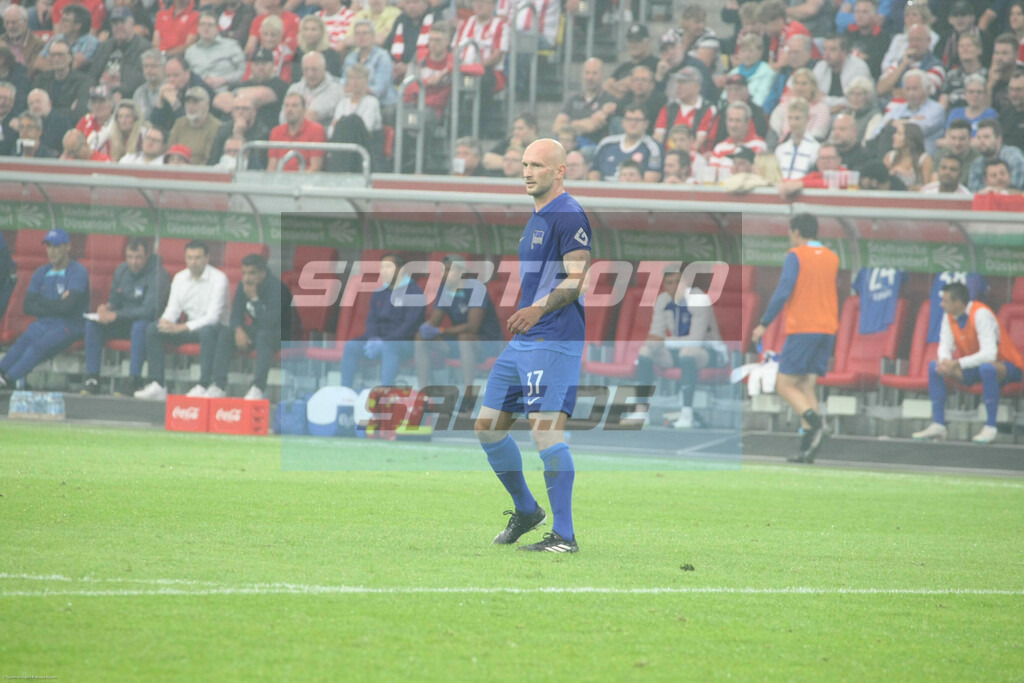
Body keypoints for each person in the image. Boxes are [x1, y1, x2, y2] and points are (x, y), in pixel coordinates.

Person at [475, 138, 590, 553]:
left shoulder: (568, 214)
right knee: (488, 427)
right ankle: (527, 510)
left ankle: (564, 536)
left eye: (537, 165)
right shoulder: (537, 214)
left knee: (545, 432)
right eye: (524, 164)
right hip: (527, 340)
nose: (527, 172)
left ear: (559, 171)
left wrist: (537, 309)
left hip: (554, 338)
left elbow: (577, 280)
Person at [750, 214, 838, 463]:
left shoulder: (796, 255)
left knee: (784, 384)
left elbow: (784, 289)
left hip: (804, 327)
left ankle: (816, 423)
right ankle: (806, 448)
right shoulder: (832, 257)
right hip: (828, 327)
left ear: (797, 232)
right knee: (806, 385)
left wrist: (764, 323)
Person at [912, 282, 1024, 445]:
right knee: (934, 367)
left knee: (987, 368)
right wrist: (945, 361)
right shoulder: (949, 316)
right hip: (973, 367)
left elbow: (989, 354)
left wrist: (956, 363)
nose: (941, 304)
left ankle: (990, 427)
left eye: (945, 301)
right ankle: (938, 424)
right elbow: (945, 344)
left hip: (1007, 366)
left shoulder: (981, 313)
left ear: (958, 303)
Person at [134, 240, 229, 400]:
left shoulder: (219, 278)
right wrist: (165, 322)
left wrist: (181, 327)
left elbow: (213, 317)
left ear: (207, 258)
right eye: (190, 258)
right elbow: (173, 309)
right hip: (189, 329)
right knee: (153, 329)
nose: (193, 262)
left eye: (198, 258)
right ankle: (157, 384)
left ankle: (204, 384)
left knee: (207, 331)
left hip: (216, 330)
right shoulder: (180, 278)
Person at [634, 266, 726, 428]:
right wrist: (654, 345)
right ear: (664, 285)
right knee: (646, 351)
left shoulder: (699, 299)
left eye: (678, 281)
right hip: (677, 351)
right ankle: (641, 412)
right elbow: (655, 334)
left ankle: (687, 414)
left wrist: (663, 342)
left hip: (710, 352)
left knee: (687, 352)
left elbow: (695, 341)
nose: (674, 286)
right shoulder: (662, 300)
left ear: (686, 282)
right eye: (670, 283)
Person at [0, 228, 89, 390]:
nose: (52, 251)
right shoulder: (41, 272)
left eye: (56, 246)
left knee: (38, 347)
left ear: (67, 247)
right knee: (21, 344)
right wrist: (57, 304)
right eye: (48, 246)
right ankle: (1, 373)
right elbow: (28, 306)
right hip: (42, 323)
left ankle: (7, 380)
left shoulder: (78, 271)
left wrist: (41, 302)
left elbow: (68, 308)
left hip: (68, 325)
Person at [82, 238, 170, 396]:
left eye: (138, 257)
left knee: (141, 325)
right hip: (122, 321)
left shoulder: (158, 274)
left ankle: (134, 379)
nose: (133, 262)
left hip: (144, 325)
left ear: (148, 256)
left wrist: (115, 314)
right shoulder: (122, 270)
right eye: (130, 257)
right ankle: (92, 378)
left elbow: (149, 311)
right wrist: (106, 307)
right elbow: (115, 300)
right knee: (92, 324)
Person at [208, 253, 293, 401]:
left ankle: (258, 388)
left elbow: (270, 322)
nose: (247, 278)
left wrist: (254, 298)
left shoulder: (277, 289)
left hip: (283, 333)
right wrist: (238, 330)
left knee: (264, 335)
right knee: (226, 332)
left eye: (252, 273)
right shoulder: (244, 286)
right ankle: (218, 385)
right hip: (261, 330)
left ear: (263, 273)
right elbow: (235, 315)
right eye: (244, 273)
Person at [415, 254, 503, 391]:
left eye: (449, 270)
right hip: (457, 343)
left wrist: (441, 331)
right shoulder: (444, 290)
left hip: (487, 344)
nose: (445, 274)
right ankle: (423, 392)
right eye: (443, 271)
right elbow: (435, 321)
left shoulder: (476, 288)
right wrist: (427, 327)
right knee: (421, 337)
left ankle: (468, 392)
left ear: (462, 272)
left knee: (465, 338)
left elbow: (472, 327)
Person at [339, 253, 425, 390]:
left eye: (388, 267)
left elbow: (410, 325)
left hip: (402, 342)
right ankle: (345, 390)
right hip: (378, 339)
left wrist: (385, 341)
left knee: (389, 346)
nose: (384, 271)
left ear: (401, 269)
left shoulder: (414, 291)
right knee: (351, 346)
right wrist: (373, 338)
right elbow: (371, 320)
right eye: (382, 267)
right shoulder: (379, 292)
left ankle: (385, 391)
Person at [552, 58, 617, 151]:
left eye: (594, 73)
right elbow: (556, 127)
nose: (590, 77)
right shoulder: (573, 99)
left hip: (593, 146)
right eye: (587, 73)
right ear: (582, 75)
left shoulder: (609, 100)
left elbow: (591, 126)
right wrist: (579, 125)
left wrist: (569, 124)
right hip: (571, 142)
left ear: (602, 76)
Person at [589, 105, 662, 182]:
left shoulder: (652, 147)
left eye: (637, 120)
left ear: (646, 124)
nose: (633, 123)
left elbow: (650, 181)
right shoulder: (606, 144)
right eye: (629, 119)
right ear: (623, 122)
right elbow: (594, 172)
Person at [88, 7, 150, 97]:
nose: (119, 26)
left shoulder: (144, 48)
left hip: (125, 96)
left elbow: (138, 81)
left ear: (132, 23)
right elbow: (92, 75)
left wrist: (119, 92)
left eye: (123, 22)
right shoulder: (105, 46)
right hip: (99, 95)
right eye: (115, 23)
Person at [186, 11, 246, 93]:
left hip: (226, 91)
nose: (206, 28)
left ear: (217, 29)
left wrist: (224, 80)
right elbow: (186, 76)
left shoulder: (231, 46)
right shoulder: (190, 51)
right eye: (202, 24)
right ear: (198, 28)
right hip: (198, 93)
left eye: (210, 25)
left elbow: (244, 71)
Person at [267, 91, 326, 172]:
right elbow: (271, 167)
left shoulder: (316, 130)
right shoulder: (276, 132)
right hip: (280, 181)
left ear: (304, 110)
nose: (289, 110)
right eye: (286, 106)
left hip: (305, 181)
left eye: (294, 106)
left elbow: (315, 167)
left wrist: (297, 182)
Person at [813, 33, 870, 113]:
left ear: (844, 52)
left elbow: (855, 101)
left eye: (832, 50)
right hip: (823, 112)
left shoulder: (859, 67)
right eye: (825, 49)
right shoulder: (821, 66)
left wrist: (825, 99)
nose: (827, 54)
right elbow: (812, 96)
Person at [286, 50, 344, 126]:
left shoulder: (336, 90)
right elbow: (282, 117)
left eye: (314, 69)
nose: (310, 74)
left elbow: (313, 115)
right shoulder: (294, 89)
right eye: (306, 69)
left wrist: (294, 115)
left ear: (324, 68)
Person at [604, 23, 659, 99]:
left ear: (648, 42)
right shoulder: (623, 67)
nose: (633, 45)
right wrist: (622, 87)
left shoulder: (656, 64)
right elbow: (606, 86)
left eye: (638, 41)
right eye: (630, 41)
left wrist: (618, 86)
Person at [168, 86, 220, 165]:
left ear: (207, 105)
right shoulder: (180, 123)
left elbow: (209, 159)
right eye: (188, 102)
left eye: (195, 102)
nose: (190, 106)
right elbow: (170, 151)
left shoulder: (216, 127)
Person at [968, 119, 1024, 192]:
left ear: (999, 139)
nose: (981, 141)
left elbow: (1018, 186)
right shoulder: (977, 163)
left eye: (986, 137)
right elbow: (973, 191)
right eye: (979, 138)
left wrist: (995, 191)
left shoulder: (1013, 156)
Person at [774, 97, 821, 180]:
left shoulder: (816, 149)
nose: (792, 123)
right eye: (790, 118)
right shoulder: (780, 149)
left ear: (808, 119)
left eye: (797, 118)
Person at [882, 120, 931, 191]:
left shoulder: (924, 159)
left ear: (910, 138)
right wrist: (892, 172)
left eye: (899, 134)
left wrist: (907, 187)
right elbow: (881, 183)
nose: (894, 136)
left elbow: (926, 188)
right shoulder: (889, 156)